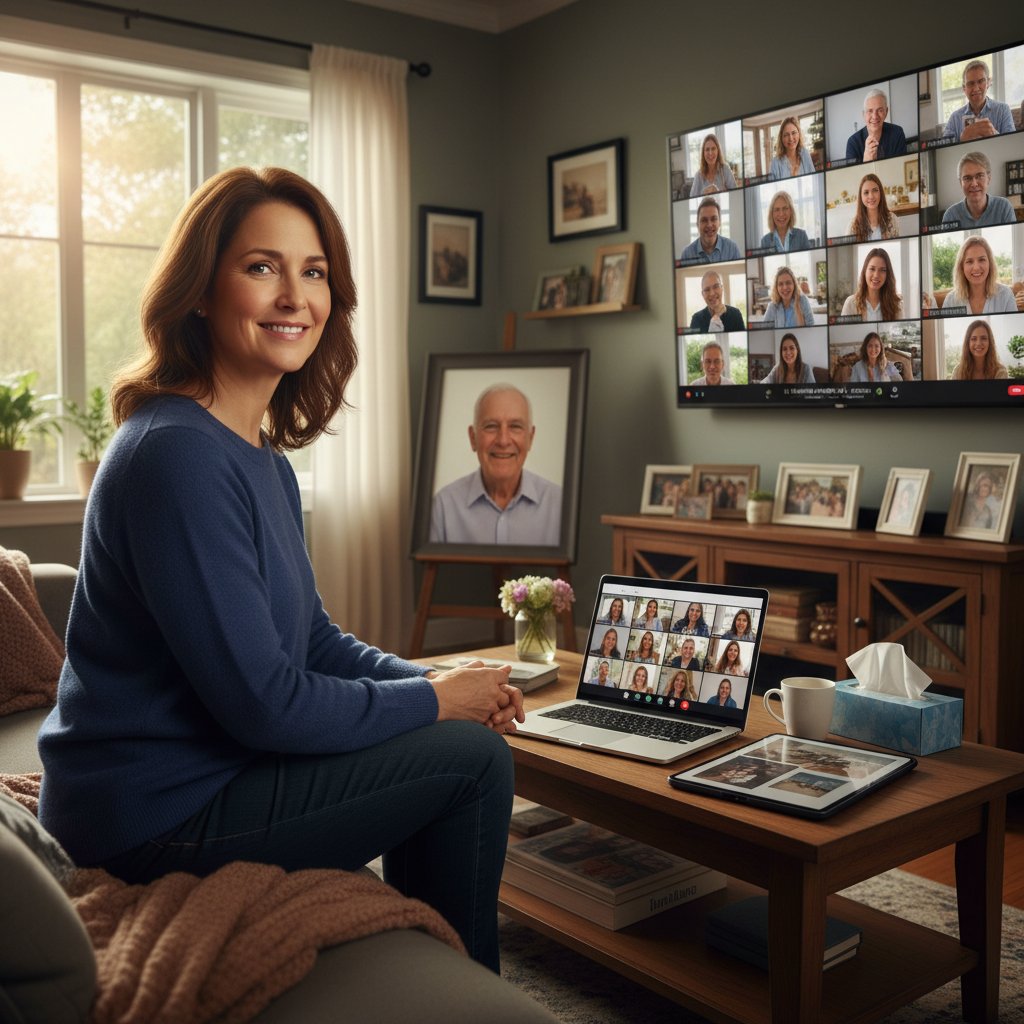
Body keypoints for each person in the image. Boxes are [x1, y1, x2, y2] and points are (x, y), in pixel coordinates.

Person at [36, 167, 522, 974]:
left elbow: (313, 641)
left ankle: (427, 971)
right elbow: (267, 705)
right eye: (263, 267)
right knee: (474, 761)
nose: (295, 296)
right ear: (200, 290)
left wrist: (439, 681)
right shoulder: (176, 455)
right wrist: (433, 702)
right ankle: (469, 991)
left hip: (204, 778)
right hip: (150, 819)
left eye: (315, 272)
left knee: (455, 732)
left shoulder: (257, 452)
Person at [429, 383, 561, 545]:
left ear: (530, 439)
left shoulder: (559, 505)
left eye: (515, 427)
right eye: (491, 426)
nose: (503, 440)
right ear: (473, 438)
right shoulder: (443, 506)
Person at [942, 59, 1016, 143]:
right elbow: (945, 148)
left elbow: (1012, 143)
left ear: (988, 82)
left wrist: (994, 134)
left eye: (981, 81)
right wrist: (961, 140)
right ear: (964, 88)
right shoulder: (954, 118)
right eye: (970, 83)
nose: (976, 88)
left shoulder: (1003, 110)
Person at [941, 236, 1017, 315]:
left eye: (981, 260)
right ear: (961, 267)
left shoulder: (1006, 295)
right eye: (969, 261)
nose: (976, 268)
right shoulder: (950, 300)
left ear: (990, 264)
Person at [941, 151, 1016, 229]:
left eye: (979, 176)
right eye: (967, 178)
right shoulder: (950, 215)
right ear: (960, 182)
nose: (974, 184)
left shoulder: (1004, 207)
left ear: (989, 179)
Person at [841, 248, 903, 322]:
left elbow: (900, 332)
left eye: (882, 270)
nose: (876, 275)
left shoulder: (896, 304)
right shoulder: (850, 303)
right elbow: (845, 332)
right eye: (872, 269)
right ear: (865, 271)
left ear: (888, 274)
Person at [845, 89, 908, 162]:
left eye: (880, 110)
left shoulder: (897, 133)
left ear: (886, 112)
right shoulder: (852, 143)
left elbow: (902, 165)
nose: (875, 116)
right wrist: (866, 161)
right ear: (864, 114)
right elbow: (853, 173)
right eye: (870, 111)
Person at [680, 196, 742, 264]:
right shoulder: (686, 254)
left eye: (714, 219)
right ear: (697, 224)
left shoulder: (732, 249)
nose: (709, 225)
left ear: (719, 222)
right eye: (704, 220)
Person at [847, 173, 900, 241]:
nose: (871, 196)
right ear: (861, 197)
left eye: (875, 190)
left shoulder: (893, 219)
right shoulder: (852, 226)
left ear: (880, 192)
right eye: (866, 192)